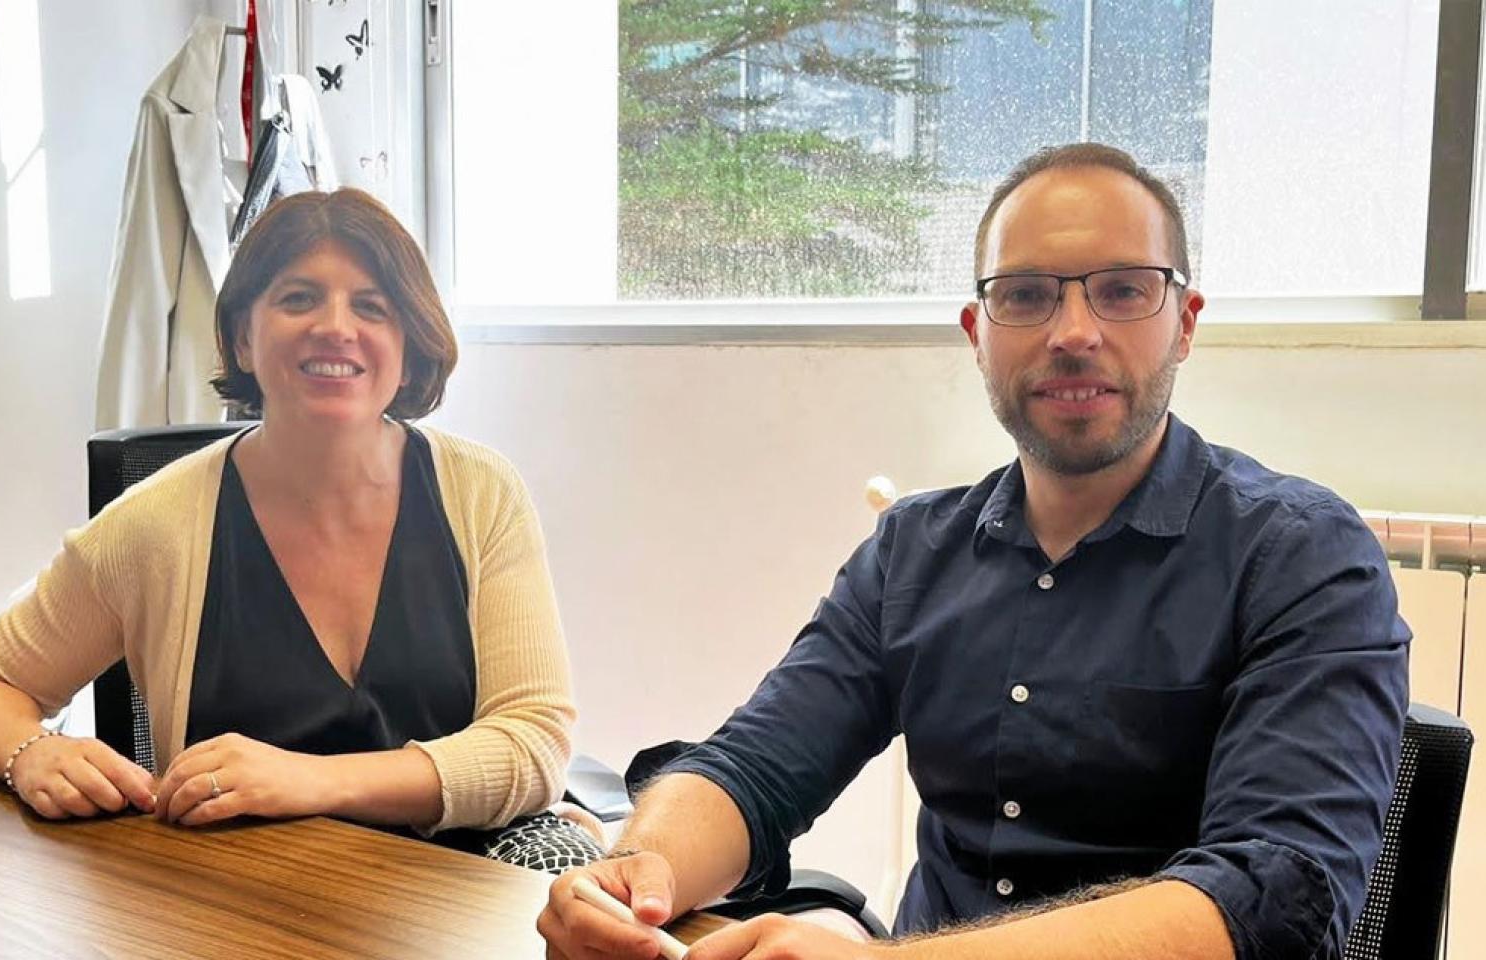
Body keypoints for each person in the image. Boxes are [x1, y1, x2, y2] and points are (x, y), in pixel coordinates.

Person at [537, 143, 1408, 960]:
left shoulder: (1302, 556)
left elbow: (1278, 896)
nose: (1073, 330)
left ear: (1184, 322)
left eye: (1122, 290)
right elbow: (756, 767)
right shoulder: (913, 553)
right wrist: (641, 872)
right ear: (977, 332)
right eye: (1027, 295)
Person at [0, 188, 574, 841]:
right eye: (298, 298)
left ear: (409, 345)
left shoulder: (481, 492)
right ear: (242, 336)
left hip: (449, 911)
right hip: (235, 910)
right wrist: (30, 753)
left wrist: (313, 780)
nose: (336, 326)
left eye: (372, 306)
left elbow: (532, 742)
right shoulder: (154, 524)